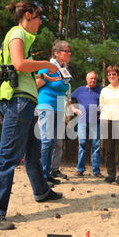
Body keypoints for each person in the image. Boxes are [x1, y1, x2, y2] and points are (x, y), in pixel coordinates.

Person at [0, 0, 63, 230]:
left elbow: (23, 68)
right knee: (8, 155)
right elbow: (18, 63)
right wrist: (47, 64)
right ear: (28, 15)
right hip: (18, 101)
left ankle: (42, 191)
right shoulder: (17, 32)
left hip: (26, 101)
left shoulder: (23, 37)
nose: (40, 23)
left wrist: (45, 76)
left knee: (33, 152)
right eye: (38, 18)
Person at [36, 40, 81, 186]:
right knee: (47, 140)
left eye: (69, 51)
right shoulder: (48, 67)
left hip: (59, 108)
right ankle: (41, 175)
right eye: (66, 51)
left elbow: (65, 92)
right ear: (56, 53)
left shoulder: (64, 69)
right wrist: (44, 76)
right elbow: (36, 84)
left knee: (54, 141)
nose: (69, 54)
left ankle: (48, 173)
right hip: (46, 104)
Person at [70, 71, 103, 177]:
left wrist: (102, 113)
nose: (93, 80)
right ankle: (80, 170)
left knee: (96, 146)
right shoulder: (80, 90)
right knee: (82, 144)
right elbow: (68, 99)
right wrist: (74, 109)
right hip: (82, 121)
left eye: (94, 79)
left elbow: (107, 102)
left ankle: (96, 171)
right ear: (86, 79)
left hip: (96, 122)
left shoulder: (100, 90)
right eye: (91, 78)